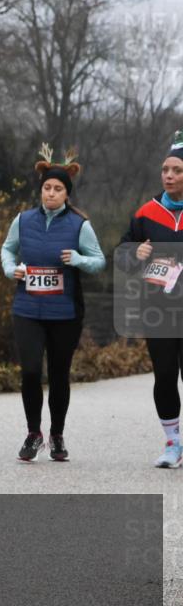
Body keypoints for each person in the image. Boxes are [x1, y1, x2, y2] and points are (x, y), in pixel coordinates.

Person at [0, 145, 106, 462]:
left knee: (59, 374)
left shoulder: (80, 225)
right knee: (31, 371)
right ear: (41, 190)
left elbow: (99, 261)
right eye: (47, 187)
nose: (51, 193)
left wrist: (77, 259)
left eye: (58, 189)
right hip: (28, 309)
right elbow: (8, 249)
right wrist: (10, 268)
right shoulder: (23, 220)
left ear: (66, 193)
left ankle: (57, 435)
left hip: (65, 312)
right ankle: (34, 434)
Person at [120, 129, 183, 468]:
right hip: (159, 311)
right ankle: (173, 444)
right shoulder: (147, 213)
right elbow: (122, 258)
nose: (169, 176)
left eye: (177, 170)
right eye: (165, 170)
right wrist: (136, 254)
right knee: (164, 376)